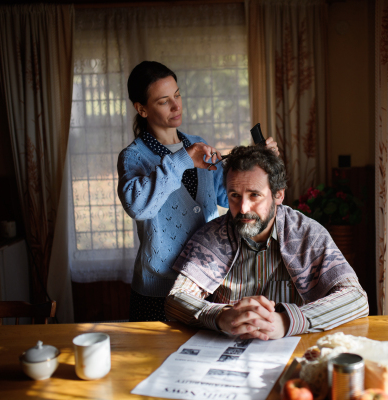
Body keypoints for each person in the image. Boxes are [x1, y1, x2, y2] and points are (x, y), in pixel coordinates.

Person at [117, 61, 278, 322]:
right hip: (157, 290)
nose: (176, 106)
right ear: (142, 109)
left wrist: (262, 167)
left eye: (178, 95)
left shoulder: (198, 143)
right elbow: (138, 206)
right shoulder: (133, 157)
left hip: (206, 281)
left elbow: (227, 196)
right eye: (163, 101)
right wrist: (183, 160)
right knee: (153, 361)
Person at [165, 145, 369, 339]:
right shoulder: (212, 235)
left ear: (278, 194)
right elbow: (176, 299)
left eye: (255, 195)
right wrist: (218, 315)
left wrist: (287, 321)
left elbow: (356, 298)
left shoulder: (308, 234)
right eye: (234, 195)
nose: (243, 208)